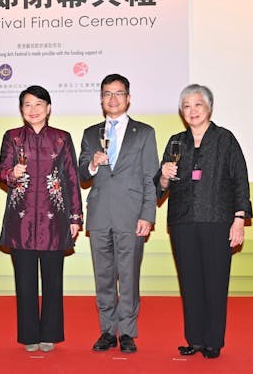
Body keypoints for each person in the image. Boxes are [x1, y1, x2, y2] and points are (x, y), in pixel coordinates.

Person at [155, 84, 252, 359]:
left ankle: (213, 341)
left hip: (217, 220)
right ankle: (195, 339)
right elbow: (160, 188)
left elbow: (240, 180)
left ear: (209, 107)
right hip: (182, 221)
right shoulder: (176, 141)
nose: (192, 110)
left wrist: (239, 218)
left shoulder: (225, 139)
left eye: (198, 104)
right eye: (186, 106)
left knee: (215, 282)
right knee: (190, 283)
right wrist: (164, 176)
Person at [78, 73, 159, 353]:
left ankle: (126, 332)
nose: (113, 99)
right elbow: (81, 174)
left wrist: (147, 215)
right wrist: (92, 164)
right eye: (107, 94)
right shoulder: (91, 133)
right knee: (103, 277)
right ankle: (106, 330)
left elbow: (150, 177)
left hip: (131, 214)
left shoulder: (144, 132)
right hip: (100, 214)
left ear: (128, 98)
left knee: (129, 276)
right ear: (101, 99)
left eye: (118, 93)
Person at [0, 85, 82, 353]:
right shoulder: (12, 137)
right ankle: (29, 335)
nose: (33, 110)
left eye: (38, 104)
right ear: (21, 109)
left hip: (54, 219)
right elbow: (2, 171)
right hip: (21, 220)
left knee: (53, 281)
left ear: (48, 108)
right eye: (27, 105)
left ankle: (50, 334)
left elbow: (71, 178)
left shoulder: (61, 138)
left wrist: (75, 217)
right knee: (24, 282)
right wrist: (11, 173)